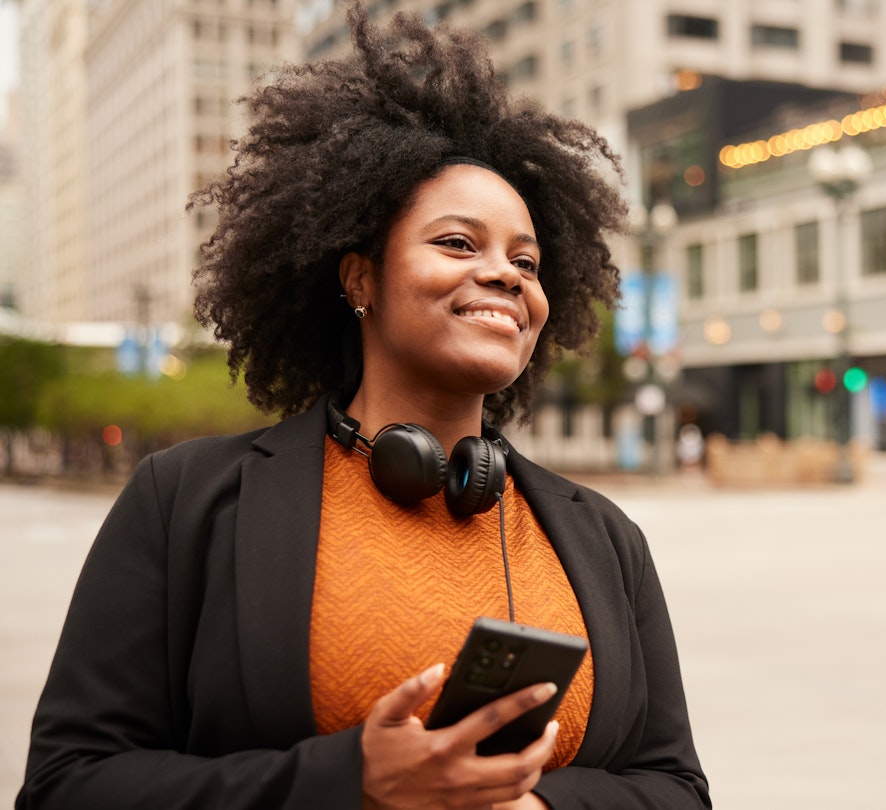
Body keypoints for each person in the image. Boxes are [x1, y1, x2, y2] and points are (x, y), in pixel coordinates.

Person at [16, 4, 709, 809]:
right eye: (458, 243)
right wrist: (350, 784)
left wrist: (542, 807)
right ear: (359, 279)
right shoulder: (185, 503)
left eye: (527, 259)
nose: (508, 276)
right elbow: (69, 783)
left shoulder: (606, 539)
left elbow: (677, 789)